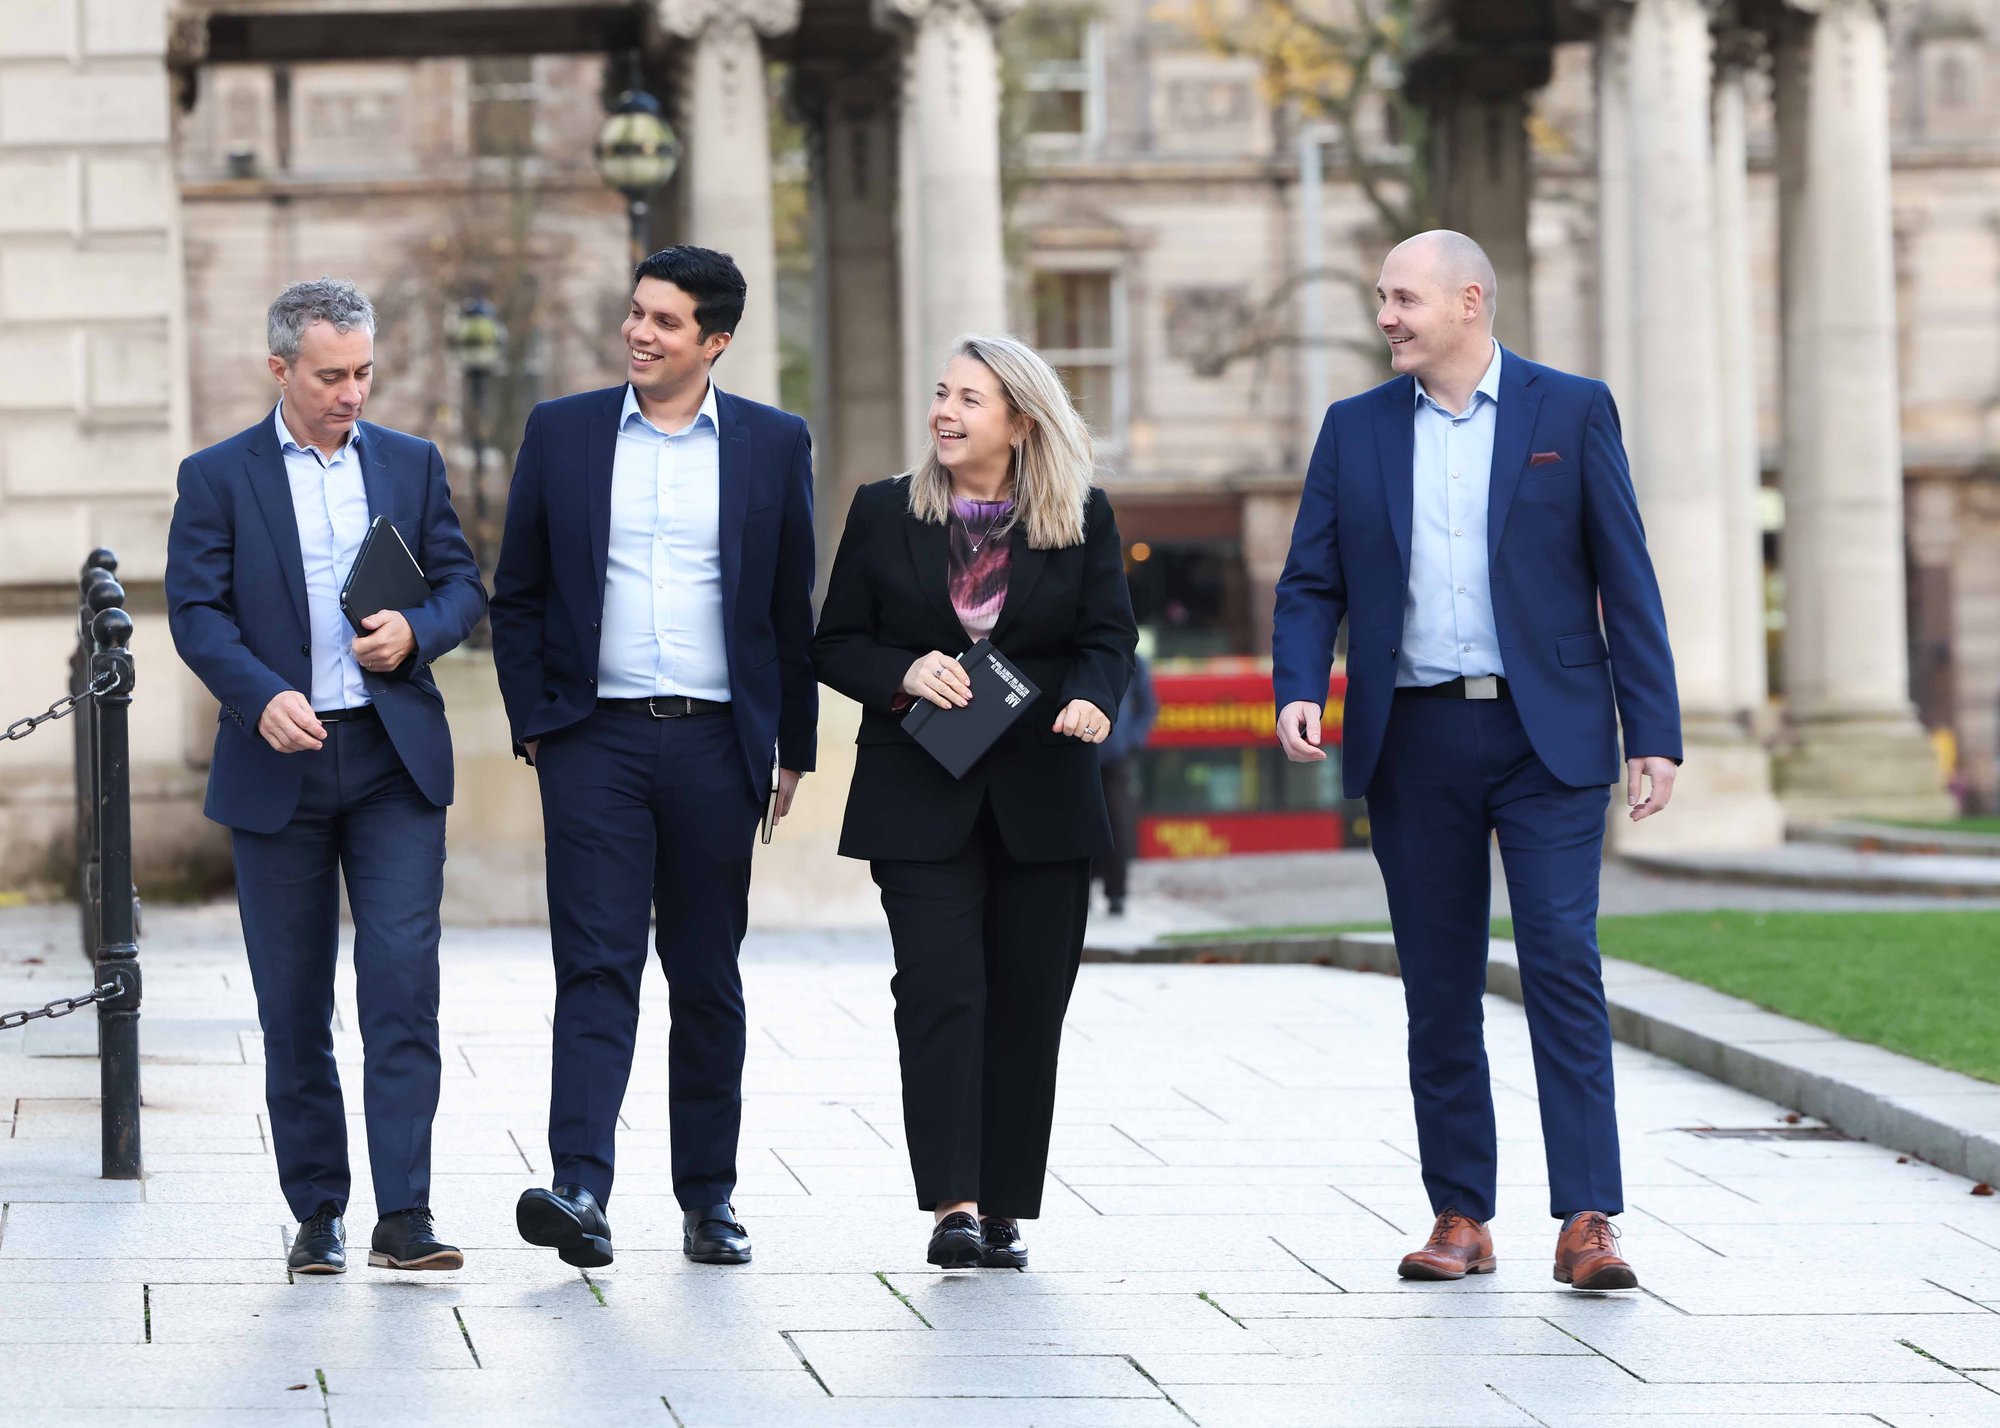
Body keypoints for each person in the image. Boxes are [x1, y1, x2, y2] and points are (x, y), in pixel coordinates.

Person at [1271, 232, 1682, 1291]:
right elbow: (1308, 579)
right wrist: (1298, 683)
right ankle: (1459, 1213)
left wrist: (1653, 730)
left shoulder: (1569, 408)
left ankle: (1587, 1217)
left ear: (1467, 301)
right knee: (1439, 984)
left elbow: (1622, 576)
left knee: (1558, 962)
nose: (1385, 318)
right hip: (1411, 739)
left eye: (1401, 299)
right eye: (1378, 299)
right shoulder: (1353, 429)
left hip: (1546, 738)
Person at [489, 246, 816, 1269]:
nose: (639, 332)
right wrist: (538, 721)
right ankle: (579, 1185)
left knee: (706, 974)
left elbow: (785, 610)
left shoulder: (771, 442)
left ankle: (707, 1199)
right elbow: (519, 593)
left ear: (713, 341)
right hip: (596, 741)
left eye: (665, 321)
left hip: (719, 744)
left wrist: (792, 744)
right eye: (635, 312)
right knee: (594, 965)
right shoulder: (563, 431)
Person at [165, 278, 486, 1275]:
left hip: (392, 761)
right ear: (279, 370)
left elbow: (464, 584)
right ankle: (318, 1209)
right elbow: (195, 611)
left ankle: (406, 1215)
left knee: (400, 985)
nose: (353, 393)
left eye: (364, 373)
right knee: (293, 1002)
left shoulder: (409, 464)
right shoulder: (216, 477)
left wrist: (416, 631)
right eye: (332, 375)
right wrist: (261, 694)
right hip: (278, 767)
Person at [813, 334, 1137, 1270]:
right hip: (919, 796)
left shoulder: (1082, 515)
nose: (945, 413)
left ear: (1021, 421)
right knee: (940, 992)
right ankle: (953, 1204)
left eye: (969, 400)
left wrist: (1091, 696)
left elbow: (1110, 639)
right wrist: (904, 670)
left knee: (1028, 1003)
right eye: (942, 394)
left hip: (1044, 793)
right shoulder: (884, 512)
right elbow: (834, 644)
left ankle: (1005, 1204)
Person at [1094, 650, 1158, 915]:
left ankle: (1116, 893)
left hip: (1116, 757)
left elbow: (1148, 706)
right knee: (1075, 824)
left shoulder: (1132, 658)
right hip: (1077, 754)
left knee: (1118, 825)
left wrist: (1132, 741)